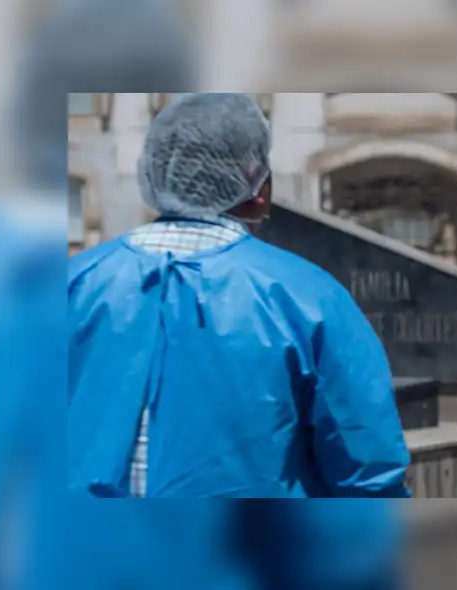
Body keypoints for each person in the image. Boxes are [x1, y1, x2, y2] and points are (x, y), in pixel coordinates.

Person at [68, 93, 410, 498]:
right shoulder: (309, 297)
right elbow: (367, 466)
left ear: (151, 174)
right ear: (258, 187)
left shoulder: (72, 283)